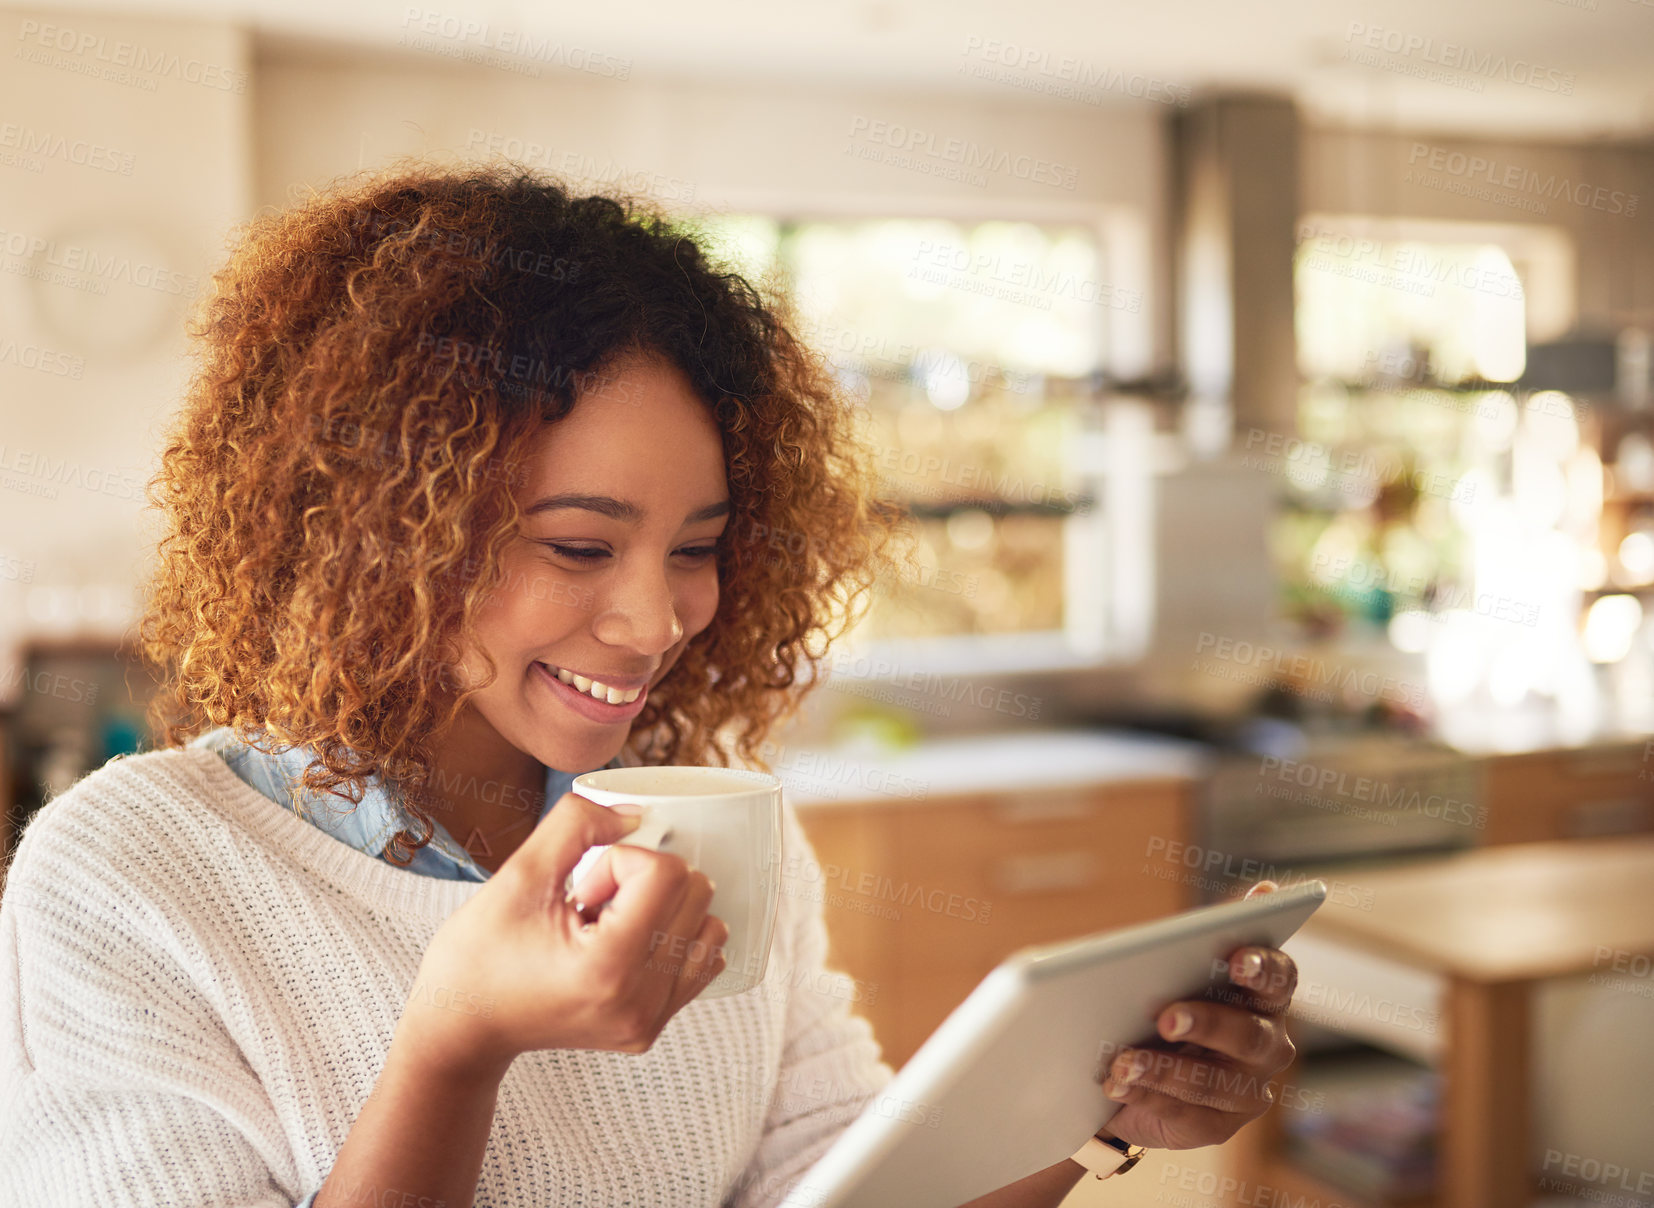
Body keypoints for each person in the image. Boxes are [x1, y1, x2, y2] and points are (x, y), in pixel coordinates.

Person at [0, 161, 1300, 1208]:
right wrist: (455, 1046)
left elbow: (835, 1184)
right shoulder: (130, 871)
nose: (658, 615)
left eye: (698, 547)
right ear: (367, 529)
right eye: (576, 545)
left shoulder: (712, 830)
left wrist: (1100, 1118)